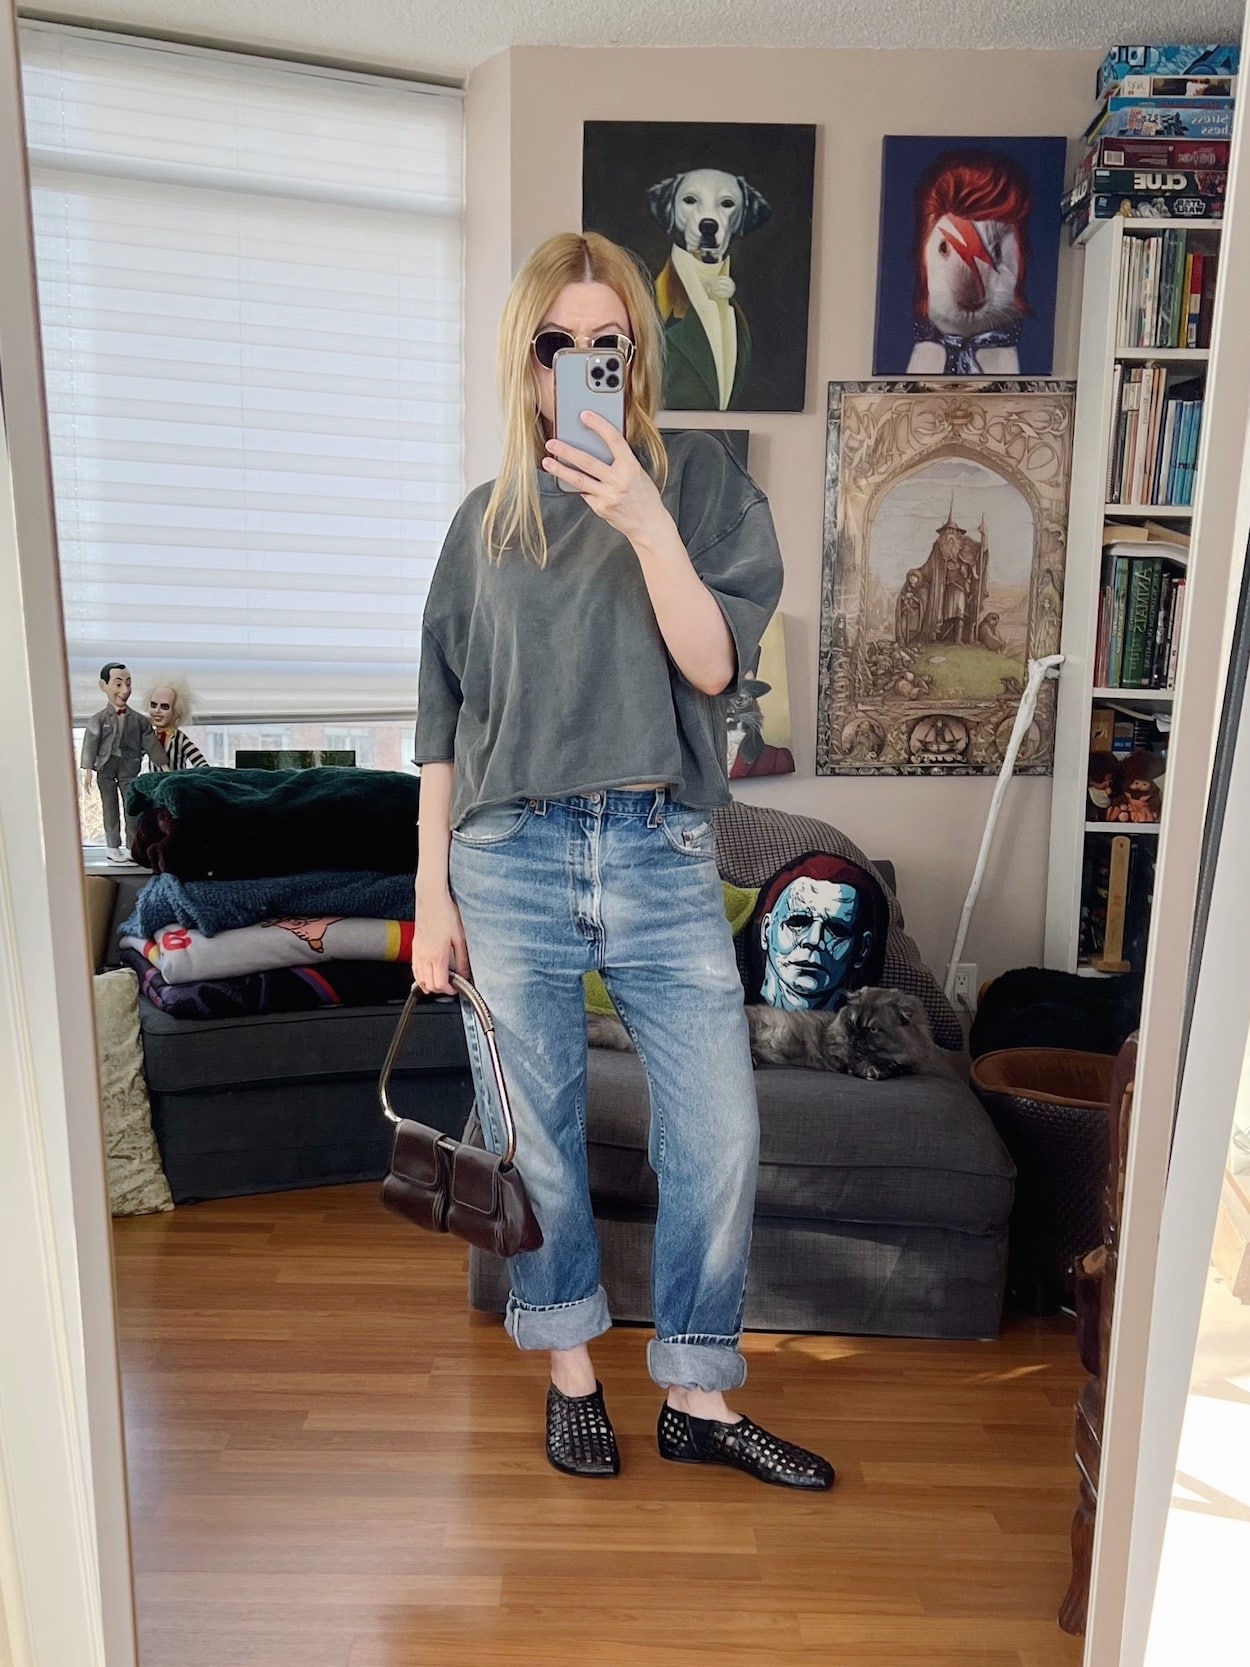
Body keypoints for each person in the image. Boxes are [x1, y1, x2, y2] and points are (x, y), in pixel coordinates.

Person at [410, 231, 833, 1491]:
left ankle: (695, 1389)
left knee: (718, 1130)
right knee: (529, 1134)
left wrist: (646, 523)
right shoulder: (480, 524)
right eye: (563, 344)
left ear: (635, 356)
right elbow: (439, 722)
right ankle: (573, 1371)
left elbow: (714, 668)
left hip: (654, 848)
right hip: (507, 855)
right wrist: (429, 894)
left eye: (612, 343)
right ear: (525, 362)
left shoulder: (696, 485)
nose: (589, 363)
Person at [80, 661, 169, 860]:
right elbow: (90, 743)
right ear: (103, 686)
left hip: (129, 767)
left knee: (132, 808)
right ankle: (112, 846)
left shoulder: (139, 720)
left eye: (128, 684)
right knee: (109, 807)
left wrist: (164, 765)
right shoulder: (98, 719)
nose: (125, 690)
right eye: (118, 684)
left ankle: (132, 845)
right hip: (106, 767)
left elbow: (151, 743)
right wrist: (87, 769)